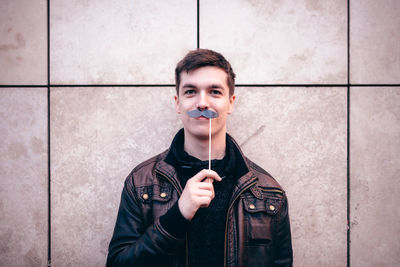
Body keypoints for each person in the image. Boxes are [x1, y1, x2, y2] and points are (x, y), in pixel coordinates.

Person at [106, 49, 293, 267]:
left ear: (231, 103)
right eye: (190, 92)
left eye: (214, 92)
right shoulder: (140, 183)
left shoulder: (270, 193)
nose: (202, 104)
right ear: (178, 103)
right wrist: (177, 217)